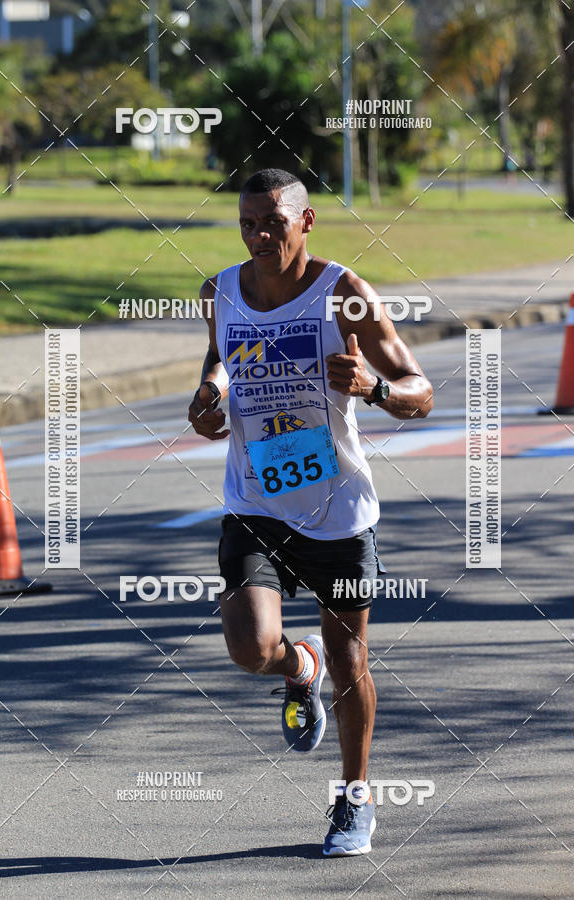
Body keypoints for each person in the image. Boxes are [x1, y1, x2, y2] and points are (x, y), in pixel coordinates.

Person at [188, 168, 433, 856]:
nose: (259, 236)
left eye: (273, 222)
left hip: (338, 510)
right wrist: (209, 394)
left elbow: (422, 391)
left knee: (350, 659)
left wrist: (376, 387)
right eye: (247, 223)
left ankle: (354, 801)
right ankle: (298, 669)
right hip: (254, 501)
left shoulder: (344, 296)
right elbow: (220, 358)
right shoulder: (221, 291)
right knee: (248, 647)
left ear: (306, 221)